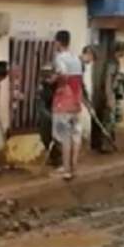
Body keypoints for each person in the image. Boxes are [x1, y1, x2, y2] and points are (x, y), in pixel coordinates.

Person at [51, 30, 85, 180]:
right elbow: (78, 78)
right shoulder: (76, 58)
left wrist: (53, 80)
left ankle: (66, 169)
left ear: (58, 42)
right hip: (77, 99)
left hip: (65, 99)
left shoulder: (59, 58)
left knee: (64, 135)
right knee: (76, 134)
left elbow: (63, 75)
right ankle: (74, 167)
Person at [103, 41, 124, 152]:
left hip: (114, 94)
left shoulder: (115, 62)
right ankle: (105, 145)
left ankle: (110, 143)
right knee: (109, 120)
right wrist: (109, 97)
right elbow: (108, 80)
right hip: (111, 94)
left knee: (113, 120)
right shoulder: (112, 63)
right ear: (120, 50)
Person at [36, 64, 60, 167]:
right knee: (45, 136)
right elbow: (41, 106)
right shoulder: (42, 87)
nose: (49, 79)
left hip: (61, 111)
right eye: (46, 77)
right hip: (47, 114)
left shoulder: (61, 84)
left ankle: (60, 159)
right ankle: (53, 157)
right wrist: (50, 117)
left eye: (51, 76)